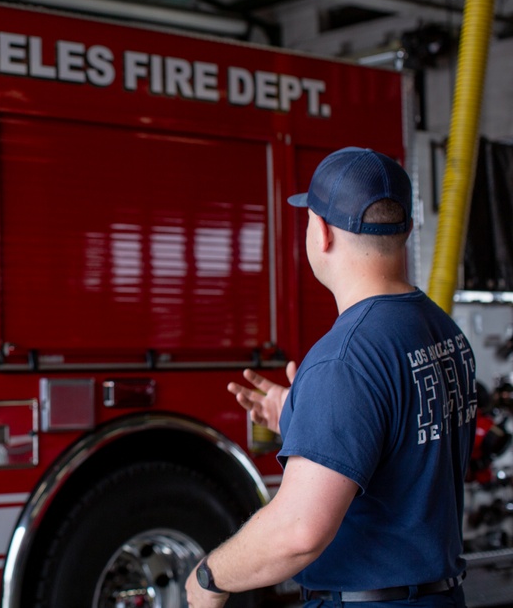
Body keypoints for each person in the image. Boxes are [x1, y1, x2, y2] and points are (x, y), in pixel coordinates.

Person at [184, 147, 476, 608]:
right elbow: (403, 443)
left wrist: (208, 576)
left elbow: (299, 533)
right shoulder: (444, 330)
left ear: (320, 232)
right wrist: (306, 420)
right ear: (407, 230)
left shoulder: (344, 359)